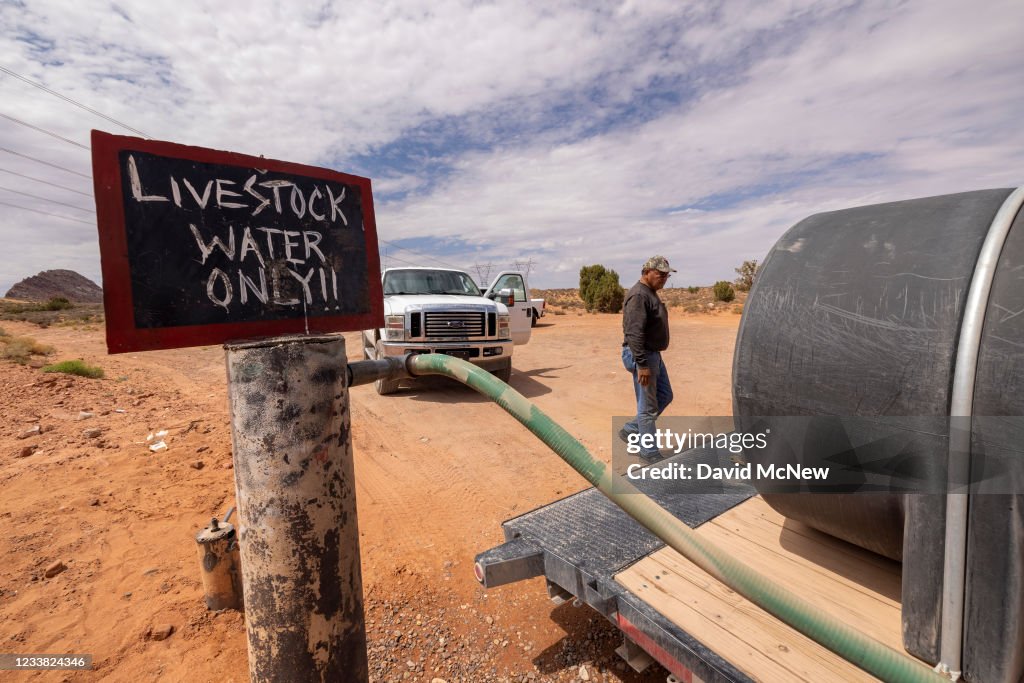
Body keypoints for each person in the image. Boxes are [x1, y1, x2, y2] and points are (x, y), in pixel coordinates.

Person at [620, 256, 675, 460]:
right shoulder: (638, 295)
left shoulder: (650, 293)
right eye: (660, 275)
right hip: (642, 356)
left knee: (665, 395)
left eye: (667, 276)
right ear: (646, 272)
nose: (664, 279)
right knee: (647, 407)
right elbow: (634, 332)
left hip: (653, 355)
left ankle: (631, 429)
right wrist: (642, 365)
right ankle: (648, 451)